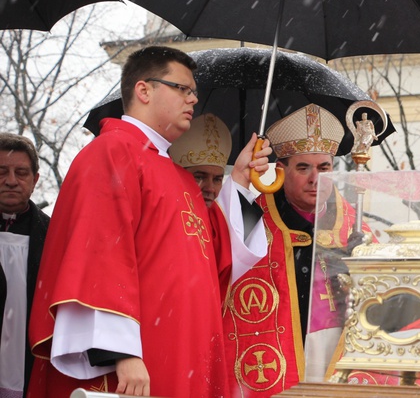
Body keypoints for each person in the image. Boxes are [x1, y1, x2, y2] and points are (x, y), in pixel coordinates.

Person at [27, 46, 272, 398]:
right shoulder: (112, 151)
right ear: (143, 90)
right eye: (182, 89)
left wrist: (243, 180)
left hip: (183, 352)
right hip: (142, 357)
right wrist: (121, 352)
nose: (193, 100)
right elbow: (97, 255)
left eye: (194, 92)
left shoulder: (178, 176)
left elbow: (213, 255)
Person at [222, 103, 366, 397]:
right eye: (303, 168)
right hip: (273, 366)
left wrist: (364, 264)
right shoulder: (250, 217)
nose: (316, 179)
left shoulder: (355, 226)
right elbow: (222, 255)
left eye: (324, 168)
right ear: (281, 170)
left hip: (333, 362)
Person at [0, 133, 50, 398]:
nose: (10, 181)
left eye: (21, 172)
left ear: (35, 180)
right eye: (2, 172)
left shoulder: (54, 234)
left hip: (31, 360)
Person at [169, 113, 232, 209]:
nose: (210, 188)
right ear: (178, 176)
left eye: (217, 179)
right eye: (200, 177)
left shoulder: (226, 221)